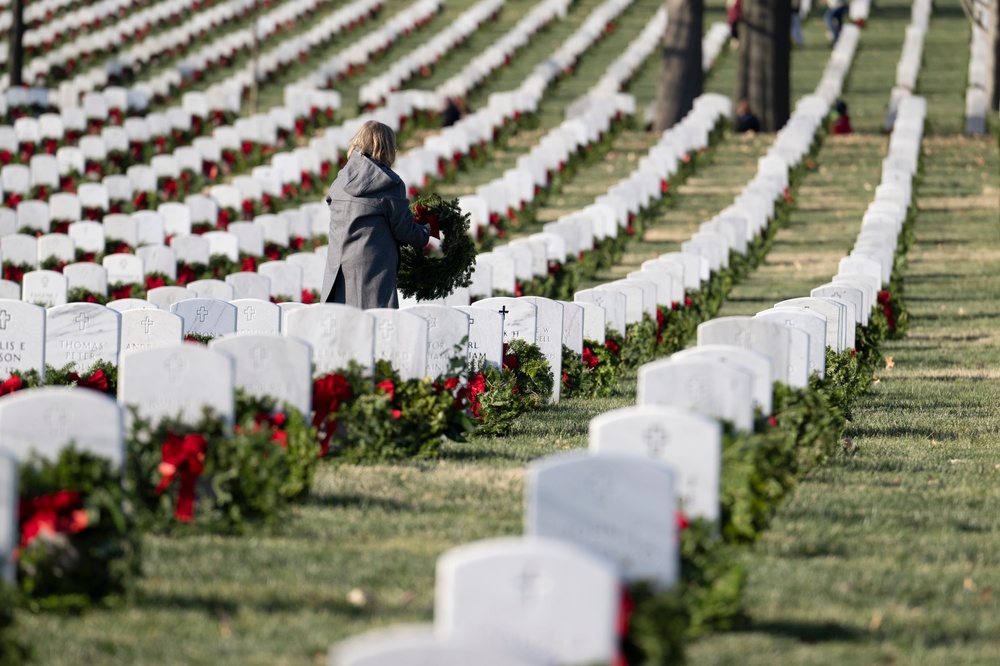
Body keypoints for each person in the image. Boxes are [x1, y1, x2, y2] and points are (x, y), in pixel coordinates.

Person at [320, 120, 431, 309]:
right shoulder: (390, 183)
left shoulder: (340, 179)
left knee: (343, 329)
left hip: (338, 267)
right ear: (387, 147)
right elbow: (404, 230)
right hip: (372, 269)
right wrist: (426, 230)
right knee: (375, 329)